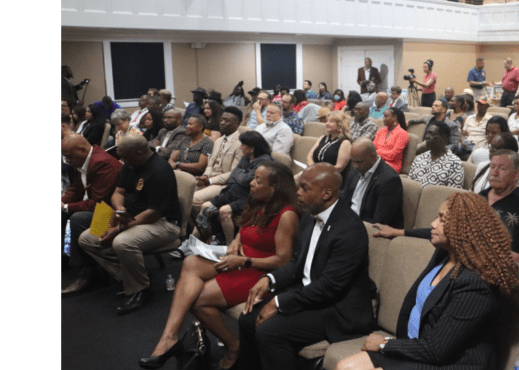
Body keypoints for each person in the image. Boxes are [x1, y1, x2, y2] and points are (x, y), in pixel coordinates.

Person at [336, 192, 519, 370]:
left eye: (442, 219)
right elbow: (428, 232)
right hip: (418, 348)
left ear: (462, 229)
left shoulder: (476, 282)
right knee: (344, 366)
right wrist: (399, 232)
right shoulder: (445, 252)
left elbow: (436, 350)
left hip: (450, 362)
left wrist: (384, 344)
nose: (433, 224)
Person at [140, 161, 299, 370]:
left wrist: (243, 261)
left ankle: (233, 346)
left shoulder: (286, 215)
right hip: (241, 259)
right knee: (190, 261)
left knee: (197, 301)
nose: (251, 183)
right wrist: (236, 241)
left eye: (258, 181)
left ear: (275, 187)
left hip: (261, 271)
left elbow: (283, 261)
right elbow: (246, 228)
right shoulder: (260, 202)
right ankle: (168, 337)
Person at [238, 163, 376, 370]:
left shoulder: (349, 230)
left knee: (270, 331)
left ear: (326, 193)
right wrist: (269, 279)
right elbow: (297, 262)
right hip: (310, 293)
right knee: (247, 318)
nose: (297, 192)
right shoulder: (310, 217)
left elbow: (329, 287)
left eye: (304, 188)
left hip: (338, 308)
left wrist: (279, 302)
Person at [79, 134, 181, 314]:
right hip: (129, 216)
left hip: (163, 222)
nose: (121, 159)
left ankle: (140, 289)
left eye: (124, 155)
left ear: (140, 152)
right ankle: (130, 276)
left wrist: (117, 229)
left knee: (122, 242)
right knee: (86, 238)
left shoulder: (160, 171)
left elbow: (152, 213)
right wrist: (119, 209)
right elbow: (118, 193)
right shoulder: (131, 164)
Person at [61, 134, 123, 294]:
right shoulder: (80, 159)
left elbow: (98, 204)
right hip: (98, 207)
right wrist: (61, 202)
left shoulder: (103, 164)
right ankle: (64, 259)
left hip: (113, 213)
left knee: (77, 218)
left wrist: (66, 207)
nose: (67, 160)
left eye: (68, 156)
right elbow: (76, 189)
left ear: (81, 149)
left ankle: (87, 271)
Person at [196, 132, 275, 246]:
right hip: (232, 192)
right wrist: (242, 174)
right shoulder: (245, 158)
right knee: (205, 206)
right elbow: (233, 175)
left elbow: (246, 181)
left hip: (248, 197)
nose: (240, 147)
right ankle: (195, 239)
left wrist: (241, 174)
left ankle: (229, 245)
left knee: (224, 211)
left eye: (243, 145)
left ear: (252, 148)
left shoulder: (265, 162)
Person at [341, 138, 404, 229]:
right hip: (348, 224)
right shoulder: (354, 172)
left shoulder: (389, 180)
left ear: (373, 156)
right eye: (353, 161)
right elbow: (343, 203)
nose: (355, 166)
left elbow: (379, 221)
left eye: (359, 162)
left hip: (368, 230)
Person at [192, 107, 245, 215]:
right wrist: (206, 176)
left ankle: (204, 228)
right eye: (221, 120)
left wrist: (211, 181)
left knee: (193, 199)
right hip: (210, 178)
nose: (222, 123)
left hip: (224, 184)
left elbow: (234, 173)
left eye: (226, 121)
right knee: (183, 193)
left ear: (236, 124)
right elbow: (210, 164)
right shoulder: (219, 140)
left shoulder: (241, 143)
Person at [408, 121, 464, 188]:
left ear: (444, 138)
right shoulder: (419, 158)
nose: (427, 137)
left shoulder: (455, 163)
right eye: (427, 134)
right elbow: (409, 184)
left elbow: (454, 193)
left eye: (432, 134)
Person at [307, 111, 353, 176]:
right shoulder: (322, 138)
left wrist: (318, 172)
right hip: (314, 172)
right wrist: (313, 169)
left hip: (330, 176)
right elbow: (309, 157)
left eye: (331, 121)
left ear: (340, 124)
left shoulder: (345, 142)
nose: (327, 123)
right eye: (327, 121)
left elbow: (339, 167)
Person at [373, 107, 409, 173]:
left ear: (394, 117)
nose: (383, 119)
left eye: (386, 117)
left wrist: (377, 152)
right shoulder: (381, 130)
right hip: (376, 162)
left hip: (392, 166)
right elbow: (373, 148)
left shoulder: (402, 134)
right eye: (383, 116)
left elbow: (393, 155)